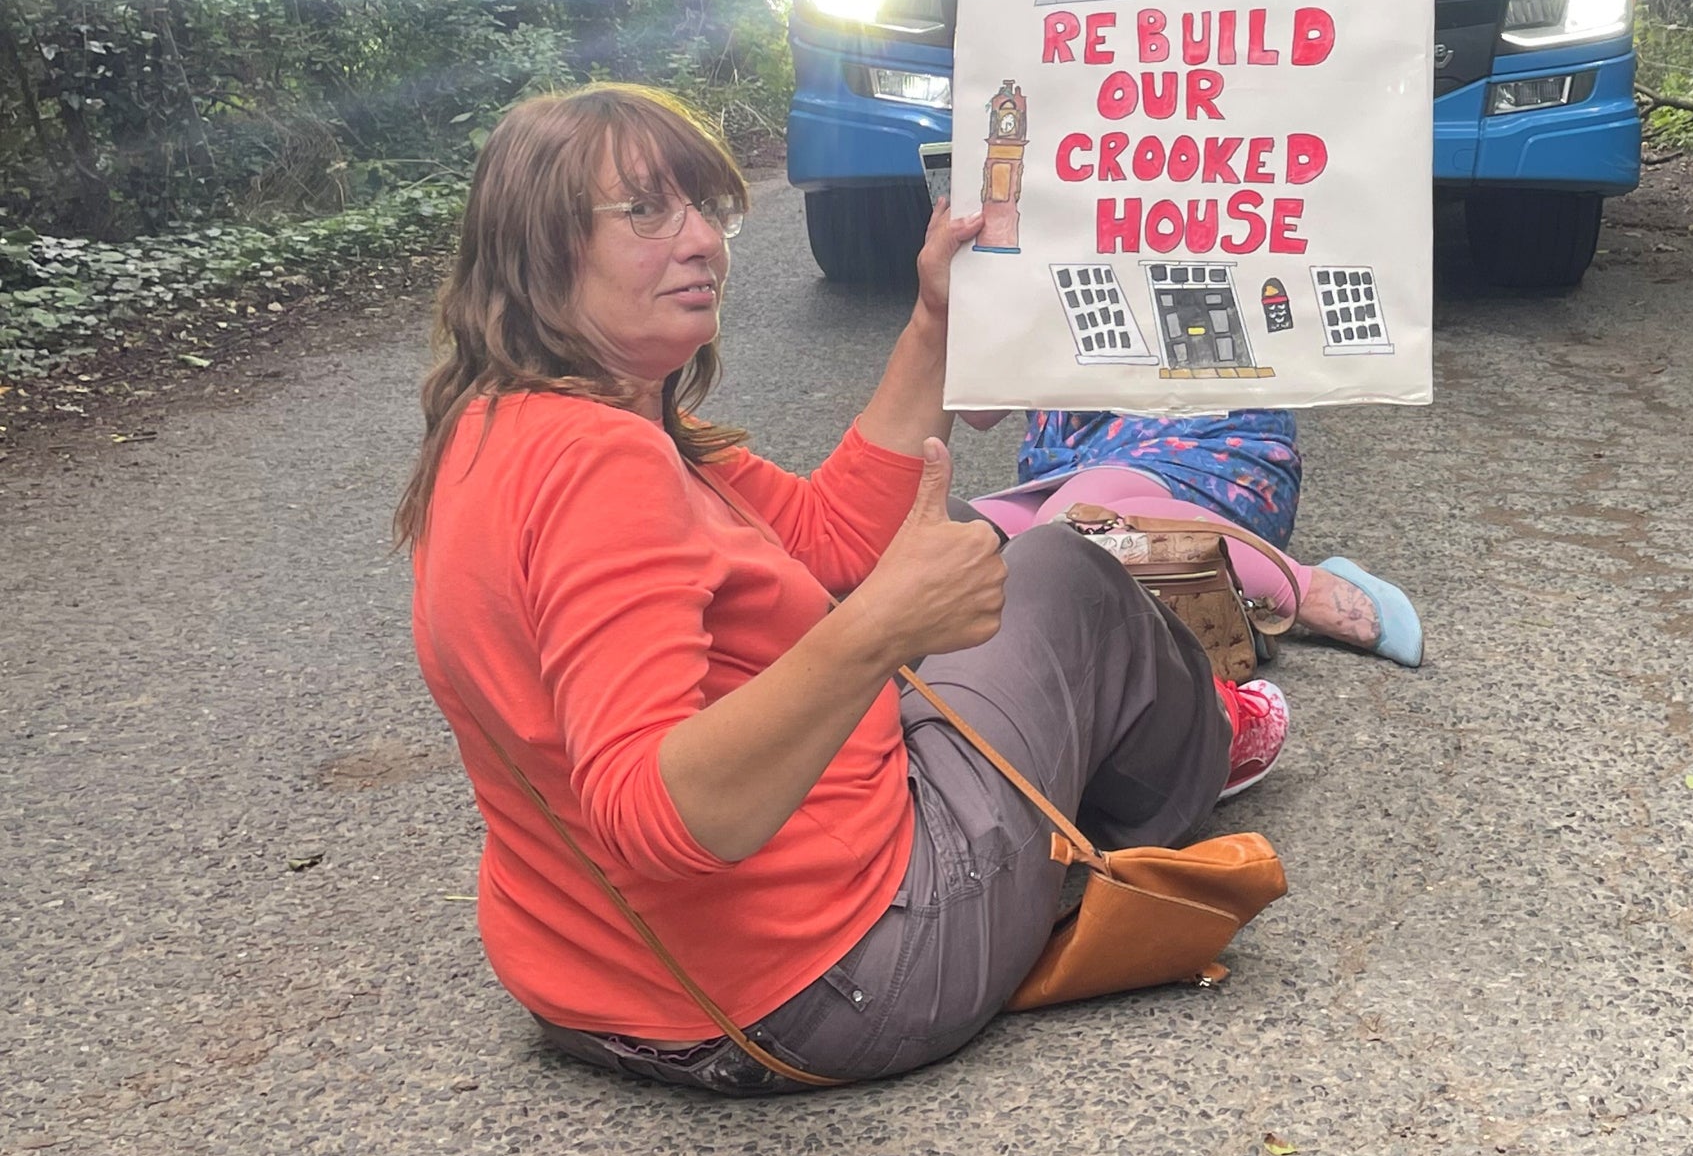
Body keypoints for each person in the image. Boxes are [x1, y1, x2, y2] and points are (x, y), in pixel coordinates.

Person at [403, 84, 1285, 1093]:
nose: (701, 242)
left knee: (963, 614)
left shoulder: (495, 427)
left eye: (705, 205)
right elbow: (651, 812)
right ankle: (1205, 747)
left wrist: (933, 321)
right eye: (646, 212)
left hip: (598, 990)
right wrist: (876, 632)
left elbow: (827, 541)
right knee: (1061, 570)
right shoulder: (607, 466)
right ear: (533, 251)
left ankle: (1126, 757)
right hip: (831, 984)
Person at [972, 409, 1423, 667]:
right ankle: (1218, 587)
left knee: (1062, 534)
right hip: (1069, 463)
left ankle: (1298, 587)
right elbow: (980, 407)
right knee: (961, 538)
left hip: (1212, 441)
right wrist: (952, 293)